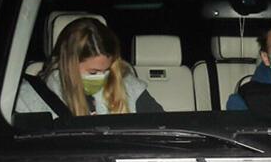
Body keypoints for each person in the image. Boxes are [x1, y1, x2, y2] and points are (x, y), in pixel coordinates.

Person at [16, 18, 163, 117]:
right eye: (93, 72)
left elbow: (161, 126)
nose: (102, 77)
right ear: (69, 64)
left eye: (107, 70)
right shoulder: (31, 97)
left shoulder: (129, 88)